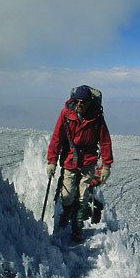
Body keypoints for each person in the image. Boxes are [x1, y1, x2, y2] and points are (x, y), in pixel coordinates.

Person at [46, 85, 113, 242]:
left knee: (82, 197)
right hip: (70, 160)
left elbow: (105, 142)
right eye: (77, 101)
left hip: (88, 162)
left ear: (89, 102)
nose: (79, 105)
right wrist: (52, 161)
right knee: (67, 195)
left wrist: (106, 165)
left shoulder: (96, 118)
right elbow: (57, 138)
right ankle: (67, 212)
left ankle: (77, 227)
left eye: (83, 102)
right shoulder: (66, 115)